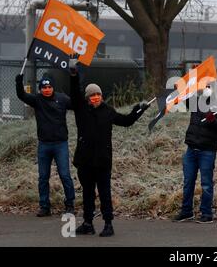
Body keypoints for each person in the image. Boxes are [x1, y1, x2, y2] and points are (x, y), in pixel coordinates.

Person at [69, 68, 149, 237]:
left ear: (101, 96)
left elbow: (126, 121)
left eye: (97, 94)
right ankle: (88, 223)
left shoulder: (108, 111)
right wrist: (74, 76)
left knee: (105, 193)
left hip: (103, 161)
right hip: (85, 160)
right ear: (87, 98)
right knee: (87, 193)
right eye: (92, 95)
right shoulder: (81, 110)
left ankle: (108, 224)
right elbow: (74, 93)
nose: (95, 97)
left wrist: (138, 111)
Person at [15, 73, 75, 217]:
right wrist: (19, 82)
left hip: (60, 144)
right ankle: (44, 206)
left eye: (49, 87)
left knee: (65, 175)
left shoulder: (62, 98)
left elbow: (77, 104)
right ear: (40, 89)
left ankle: (70, 204)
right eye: (44, 87)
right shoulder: (37, 100)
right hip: (44, 145)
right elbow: (22, 95)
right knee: (43, 177)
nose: (47, 89)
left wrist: (75, 77)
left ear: (53, 88)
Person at [173, 85, 217, 224]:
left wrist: (213, 121)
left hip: (207, 151)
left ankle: (206, 213)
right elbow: (183, 98)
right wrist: (181, 87)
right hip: (191, 150)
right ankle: (186, 212)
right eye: (204, 87)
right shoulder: (196, 102)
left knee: (206, 184)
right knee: (188, 182)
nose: (205, 89)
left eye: (208, 87)